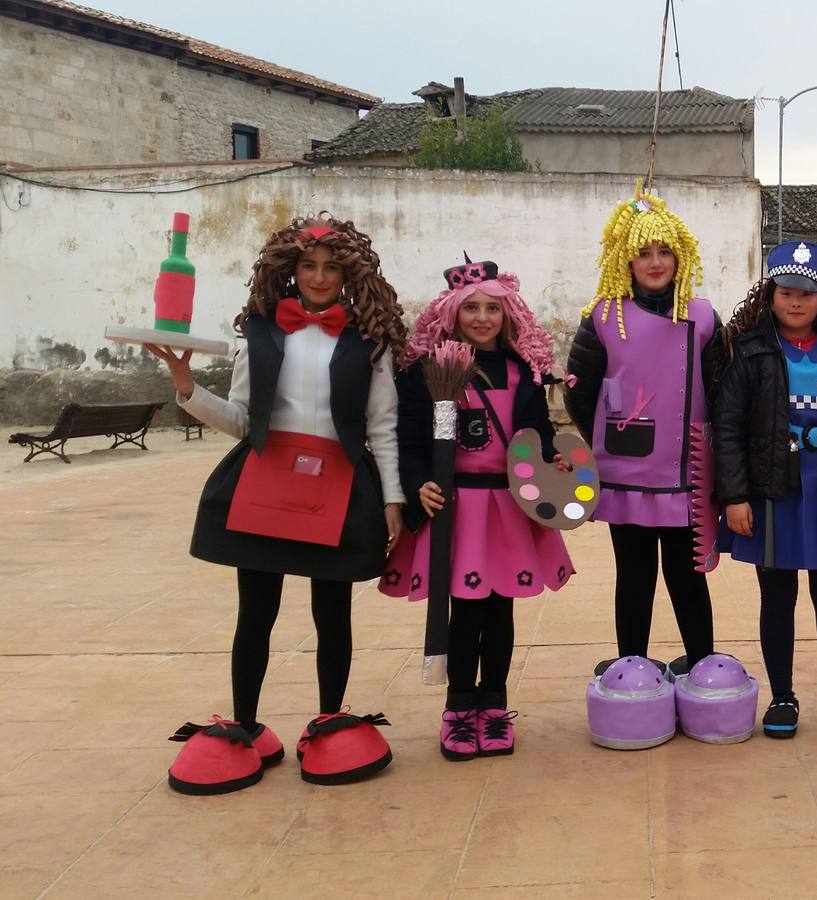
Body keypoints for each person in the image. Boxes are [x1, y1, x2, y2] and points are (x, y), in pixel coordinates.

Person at [149, 215, 406, 793]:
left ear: (348, 273)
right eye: (309, 266)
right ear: (289, 270)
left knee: (332, 611)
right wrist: (187, 387)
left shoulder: (370, 342)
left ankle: (331, 718)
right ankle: (243, 724)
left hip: (340, 484)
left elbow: (382, 427)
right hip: (266, 479)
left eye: (331, 267)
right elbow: (241, 420)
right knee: (255, 613)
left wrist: (392, 499)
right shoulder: (262, 332)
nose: (318, 278)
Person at [383, 256, 575, 760]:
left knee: (500, 609)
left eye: (493, 307)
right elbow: (408, 439)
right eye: (472, 308)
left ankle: (494, 706)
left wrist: (554, 457)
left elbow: (537, 435)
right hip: (456, 507)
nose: (483, 317)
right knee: (464, 612)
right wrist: (417, 482)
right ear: (451, 312)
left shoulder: (521, 373)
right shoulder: (428, 371)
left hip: (509, 506)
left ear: (508, 314)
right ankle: (458, 709)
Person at [712, 240, 817, 737]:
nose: (796, 302)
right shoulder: (748, 352)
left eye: (807, 294)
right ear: (770, 294)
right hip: (772, 489)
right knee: (777, 595)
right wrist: (735, 496)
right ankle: (783, 697)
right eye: (786, 291)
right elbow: (728, 428)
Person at [564, 190, 718, 677]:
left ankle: (701, 663)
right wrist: (606, 441)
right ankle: (631, 664)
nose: (655, 262)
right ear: (624, 259)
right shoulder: (603, 317)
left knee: (688, 574)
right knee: (633, 575)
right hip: (626, 473)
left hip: (686, 475)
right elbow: (578, 389)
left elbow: (721, 390)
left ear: (680, 255)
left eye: (664, 251)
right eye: (643, 253)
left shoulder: (705, 317)